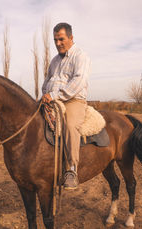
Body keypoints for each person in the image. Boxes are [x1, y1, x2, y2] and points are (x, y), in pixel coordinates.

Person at [41, 22, 91, 190]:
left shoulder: (80, 56)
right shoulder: (54, 61)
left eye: (61, 39)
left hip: (73, 100)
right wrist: (45, 96)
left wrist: (55, 95)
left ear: (71, 38)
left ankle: (71, 169)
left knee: (70, 125)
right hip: (52, 100)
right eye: (55, 40)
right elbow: (47, 81)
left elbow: (79, 81)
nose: (58, 43)